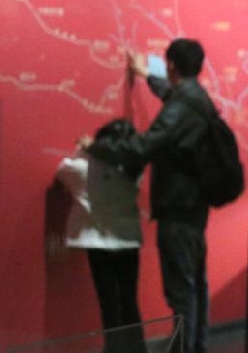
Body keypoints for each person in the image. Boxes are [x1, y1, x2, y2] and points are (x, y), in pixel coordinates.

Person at [88, 38, 214, 353]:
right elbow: (173, 98)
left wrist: (97, 147)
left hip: (177, 208)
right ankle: (196, 345)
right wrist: (147, 76)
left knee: (181, 289)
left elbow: (143, 147)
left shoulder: (182, 106)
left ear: (170, 65)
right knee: (195, 283)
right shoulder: (198, 100)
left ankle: (185, 349)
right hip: (194, 207)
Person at [56, 118, 146, 353]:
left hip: (98, 242)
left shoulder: (83, 168)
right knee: (129, 300)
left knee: (108, 303)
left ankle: (113, 349)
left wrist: (85, 152)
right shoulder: (134, 167)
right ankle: (137, 348)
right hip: (128, 239)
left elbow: (62, 169)